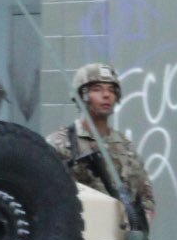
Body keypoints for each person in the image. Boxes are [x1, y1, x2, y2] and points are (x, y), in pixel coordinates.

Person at [47, 62, 155, 228]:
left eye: (111, 90)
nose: (106, 95)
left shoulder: (125, 147)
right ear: (82, 95)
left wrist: (137, 228)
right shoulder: (60, 144)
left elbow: (146, 199)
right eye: (97, 89)